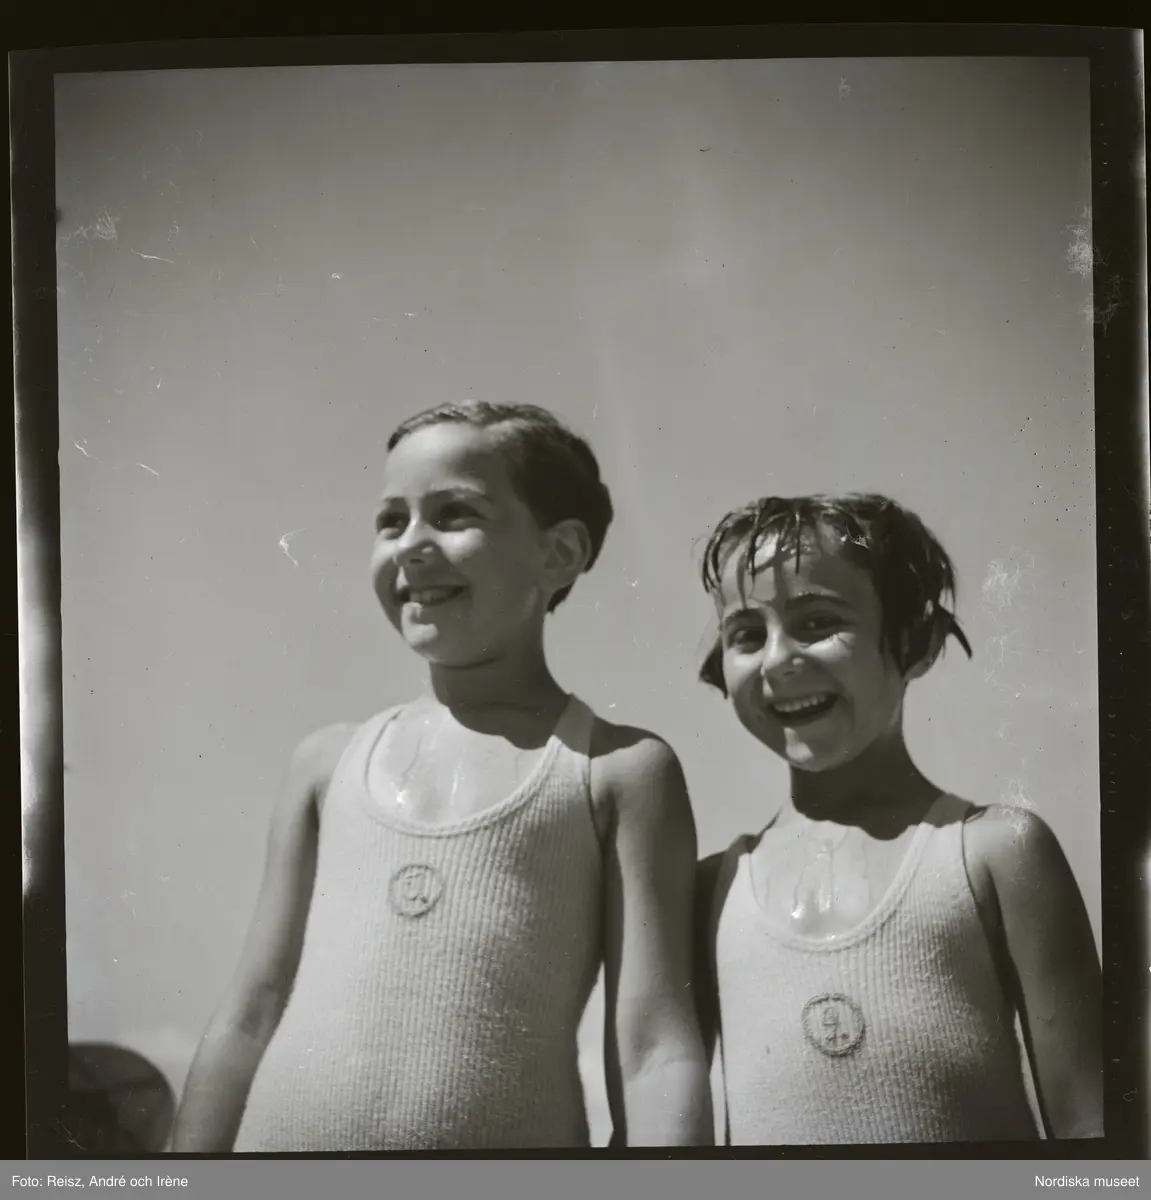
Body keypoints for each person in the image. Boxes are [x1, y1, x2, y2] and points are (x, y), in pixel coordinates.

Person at [169, 400, 712, 1152]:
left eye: (454, 514)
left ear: (559, 553)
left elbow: (654, 1049)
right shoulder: (326, 764)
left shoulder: (616, 771)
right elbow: (248, 1015)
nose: (412, 546)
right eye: (391, 521)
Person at [692, 493, 1102, 1145]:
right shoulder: (710, 894)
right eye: (746, 634)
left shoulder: (994, 854)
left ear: (918, 641)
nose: (775, 659)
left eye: (816, 622)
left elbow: (1092, 1124)